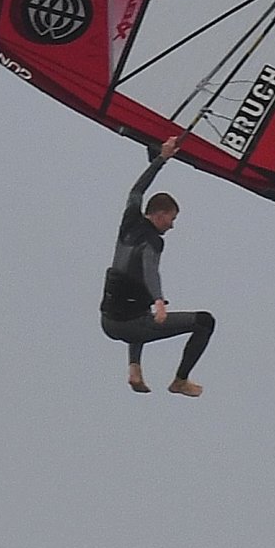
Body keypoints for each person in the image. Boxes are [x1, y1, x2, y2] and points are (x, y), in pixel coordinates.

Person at [100, 137, 215, 396]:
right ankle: (180, 381)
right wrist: (159, 300)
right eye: (172, 219)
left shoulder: (129, 221)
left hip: (108, 320)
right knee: (205, 322)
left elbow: (136, 191)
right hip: (129, 325)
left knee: (134, 299)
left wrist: (162, 158)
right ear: (160, 215)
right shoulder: (153, 241)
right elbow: (150, 267)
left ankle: (134, 368)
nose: (172, 226)